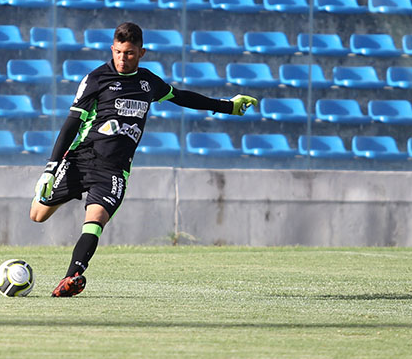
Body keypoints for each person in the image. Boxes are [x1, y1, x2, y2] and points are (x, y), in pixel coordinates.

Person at [29, 22, 257, 297]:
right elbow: (71, 124)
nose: (123, 59)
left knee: (95, 220)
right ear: (112, 49)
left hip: (114, 170)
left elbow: (181, 97)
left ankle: (71, 278)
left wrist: (227, 106)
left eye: (129, 53)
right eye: (118, 52)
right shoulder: (95, 79)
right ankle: (68, 264)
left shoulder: (148, 82)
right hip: (81, 159)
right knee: (37, 215)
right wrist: (51, 169)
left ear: (141, 53)